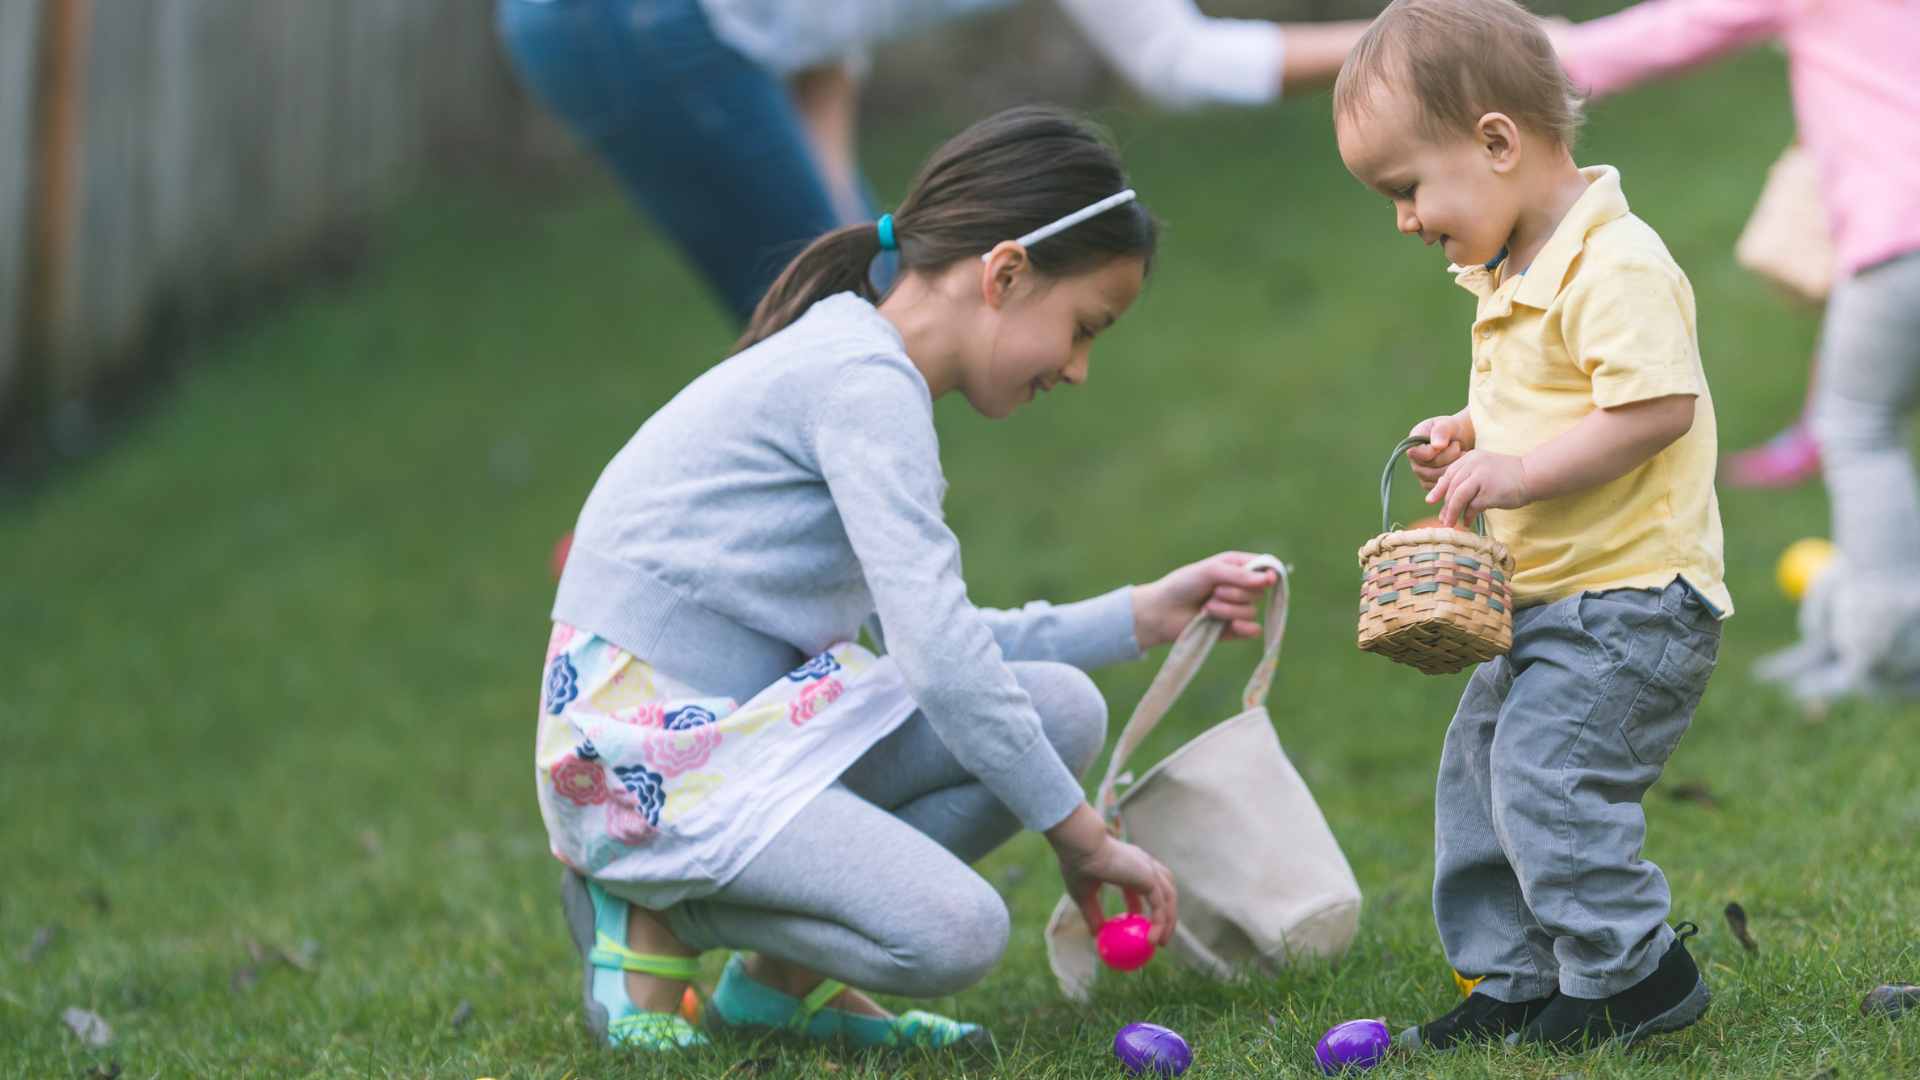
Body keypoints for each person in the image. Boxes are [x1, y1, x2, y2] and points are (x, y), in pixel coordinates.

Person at [535, 106, 1279, 1051]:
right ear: (1005, 274)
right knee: (957, 932)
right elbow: (939, 660)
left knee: (1060, 712)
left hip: (747, 731)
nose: (1082, 369)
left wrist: (1139, 615)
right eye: (1084, 327)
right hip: (641, 760)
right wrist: (1080, 837)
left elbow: (940, 644)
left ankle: (777, 990)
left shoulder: (861, 366)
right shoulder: (862, 384)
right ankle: (653, 909)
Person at [1333, 0, 1731, 1052]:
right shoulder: (1510, 270)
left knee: (1547, 778)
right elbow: (1551, 399)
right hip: (1545, 600)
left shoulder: (1617, 264)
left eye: (1407, 189)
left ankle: (1630, 972)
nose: (1407, 220)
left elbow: (1653, 409)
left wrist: (1515, 468)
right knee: (1478, 777)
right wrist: (1471, 432)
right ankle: (1512, 977)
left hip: (1633, 601)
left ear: (1497, 142)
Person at [497, 0, 1371, 323]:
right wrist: (1415, 31)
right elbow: (1181, 64)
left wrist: (837, 219)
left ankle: (652, 552)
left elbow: (822, 31)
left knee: (845, 314)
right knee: (850, 349)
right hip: (641, 24)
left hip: (582, 24)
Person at [1548, 0, 1920, 704]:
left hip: (1902, 237)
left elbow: (1686, 26)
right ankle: (1863, 633)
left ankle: (1888, 657)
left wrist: (1558, 51)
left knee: (1860, 429)